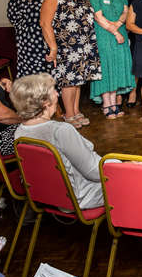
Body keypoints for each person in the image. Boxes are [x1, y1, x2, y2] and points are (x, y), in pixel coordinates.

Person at [11, 73, 105, 209]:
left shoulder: (20, 132)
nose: (57, 94)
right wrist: (121, 166)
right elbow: (94, 171)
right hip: (81, 196)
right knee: (135, 182)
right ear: (45, 102)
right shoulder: (60, 130)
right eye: (54, 91)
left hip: (48, 196)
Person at [40, 0, 101, 129]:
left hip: (84, 45)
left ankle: (76, 110)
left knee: (79, 80)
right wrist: (53, 48)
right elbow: (45, 23)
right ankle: (69, 114)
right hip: (66, 46)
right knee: (69, 82)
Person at [88, 0, 135, 119]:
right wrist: (115, 31)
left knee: (117, 66)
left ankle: (115, 103)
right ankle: (106, 105)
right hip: (104, 35)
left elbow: (125, 9)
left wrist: (119, 24)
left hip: (120, 31)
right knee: (106, 68)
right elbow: (98, 16)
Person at [7, 0, 53, 78]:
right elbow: (12, 15)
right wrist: (27, 31)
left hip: (51, 39)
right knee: (33, 77)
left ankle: (52, 96)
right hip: (30, 43)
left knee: (52, 74)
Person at [113, 0, 141, 107]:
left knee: (134, 61)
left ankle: (133, 91)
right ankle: (118, 93)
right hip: (114, 29)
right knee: (118, 62)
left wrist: (130, 27)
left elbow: (138, 10)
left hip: (132, 28)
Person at [0, 78, 20, 157]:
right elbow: (1, 115)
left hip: (2, 132)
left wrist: (1, 85)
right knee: (41, 130)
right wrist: (24, 119)